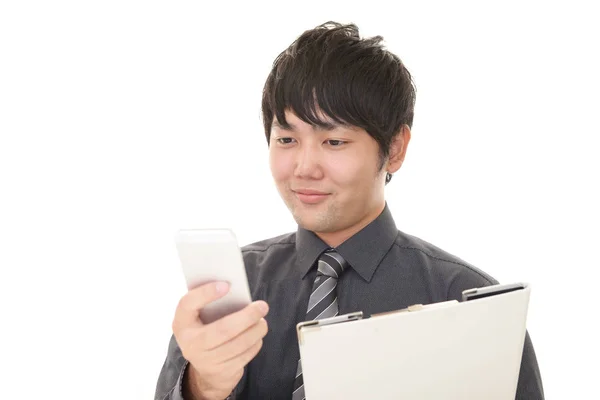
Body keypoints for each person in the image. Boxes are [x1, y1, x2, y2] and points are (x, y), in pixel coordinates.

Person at [155, 21, 544, 400]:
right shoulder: (233, 293)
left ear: (394, 149)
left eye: (334, 141)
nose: (304, 167)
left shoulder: (467, 305)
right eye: (286, 138)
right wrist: (204, 387)